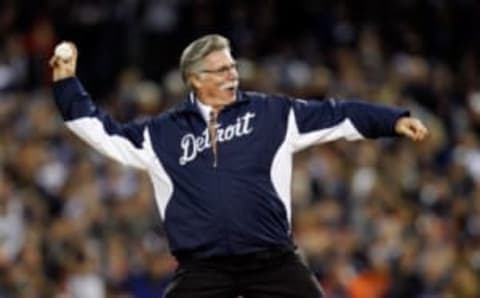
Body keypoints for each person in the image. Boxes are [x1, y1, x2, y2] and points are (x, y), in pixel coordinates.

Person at [49, 34, 428, 298]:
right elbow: (103, 133)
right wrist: (67, 83)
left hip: (273, 259)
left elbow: (339, 114)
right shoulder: (162, 133)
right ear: (196, 79)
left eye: (233, 67)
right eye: (221, 70)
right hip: (203, 268)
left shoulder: (272, 113)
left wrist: (393, 120)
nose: (232, 75)